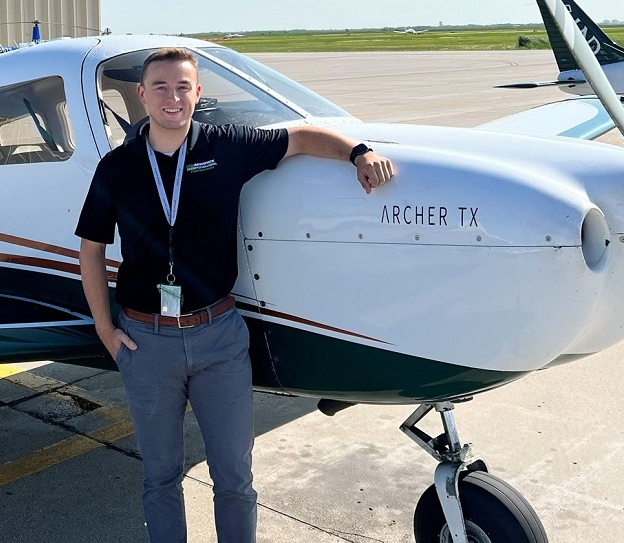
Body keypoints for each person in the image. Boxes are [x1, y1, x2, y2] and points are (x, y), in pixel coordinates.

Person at [76, 48, 394, 543]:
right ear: (141, 95)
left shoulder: (227, 145)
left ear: (197, 93)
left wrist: (359, 152)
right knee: (160, 475)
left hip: (218, 338)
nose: (173, 97)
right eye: (160, 87)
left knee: (234, 477)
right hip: (146, 340)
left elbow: (301, 137)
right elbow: (91, 248)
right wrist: (104, 328)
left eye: (183, 87)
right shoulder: (117, 167)